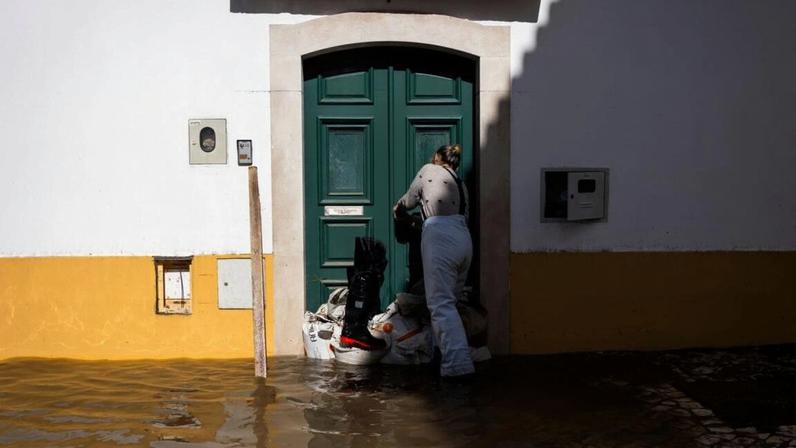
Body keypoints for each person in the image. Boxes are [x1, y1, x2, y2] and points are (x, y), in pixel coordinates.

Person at [393, 144, 475, 377]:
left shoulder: (428, 170)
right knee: (451, 303)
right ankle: (440, 356)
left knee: (441, 305)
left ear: (438, 157)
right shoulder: (461, 185)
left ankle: (459, 366)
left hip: (440, 239)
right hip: (463, 240)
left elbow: (409, 201)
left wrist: (397, 210)